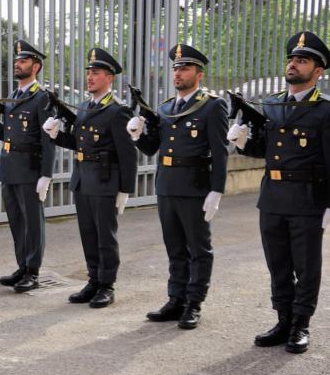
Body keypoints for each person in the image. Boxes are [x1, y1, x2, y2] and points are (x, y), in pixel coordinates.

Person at [229, 31, 330, 353]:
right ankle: (283, 318)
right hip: (272, 196)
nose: (293, 64)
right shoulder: (271, 104)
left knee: (306, 264)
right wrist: (243, 142)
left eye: (302, 60)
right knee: (279, 264)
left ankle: (301, 323)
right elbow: (264, 149)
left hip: (307, 197)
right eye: (291, 58)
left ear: (318, 71)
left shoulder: (325, 110)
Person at [127, 44, 228, 329]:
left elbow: (220, 152)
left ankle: (194, 302)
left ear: (199, 73)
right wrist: (136, 135)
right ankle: (176, 299)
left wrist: (216, 190)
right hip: (167, 186)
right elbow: (152, 148)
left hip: (196, 187)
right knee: (174, 248)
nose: (178, 73)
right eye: (175, 68)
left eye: (184, 68)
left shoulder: (212, 105)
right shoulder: (165, 108)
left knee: (198, 248)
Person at [43, 48, 137, 308]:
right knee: (88, 234)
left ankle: (107, 285)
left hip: (106, 181)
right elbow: (78, 143)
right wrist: (56, 135)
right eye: (88, 73)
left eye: (95, 73)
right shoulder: (84, 106)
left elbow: (128, 154)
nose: (90, 78)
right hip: (83, 179)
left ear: (109, 78)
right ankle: (93, 279)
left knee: (105, 236)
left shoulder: (118, 111)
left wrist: (125, 190)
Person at [0, 40, 55, 292]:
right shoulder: (13, 96)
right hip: (9, 167)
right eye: (17, 61)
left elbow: (48, 138)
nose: (17, 64)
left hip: (30, 169)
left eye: (23, 61)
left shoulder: (41, 98)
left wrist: (46, 174)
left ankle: (33, 271)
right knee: (17, 222)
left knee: (33, 222)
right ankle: (22, 265)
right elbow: (7, 134)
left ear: (36, 66)